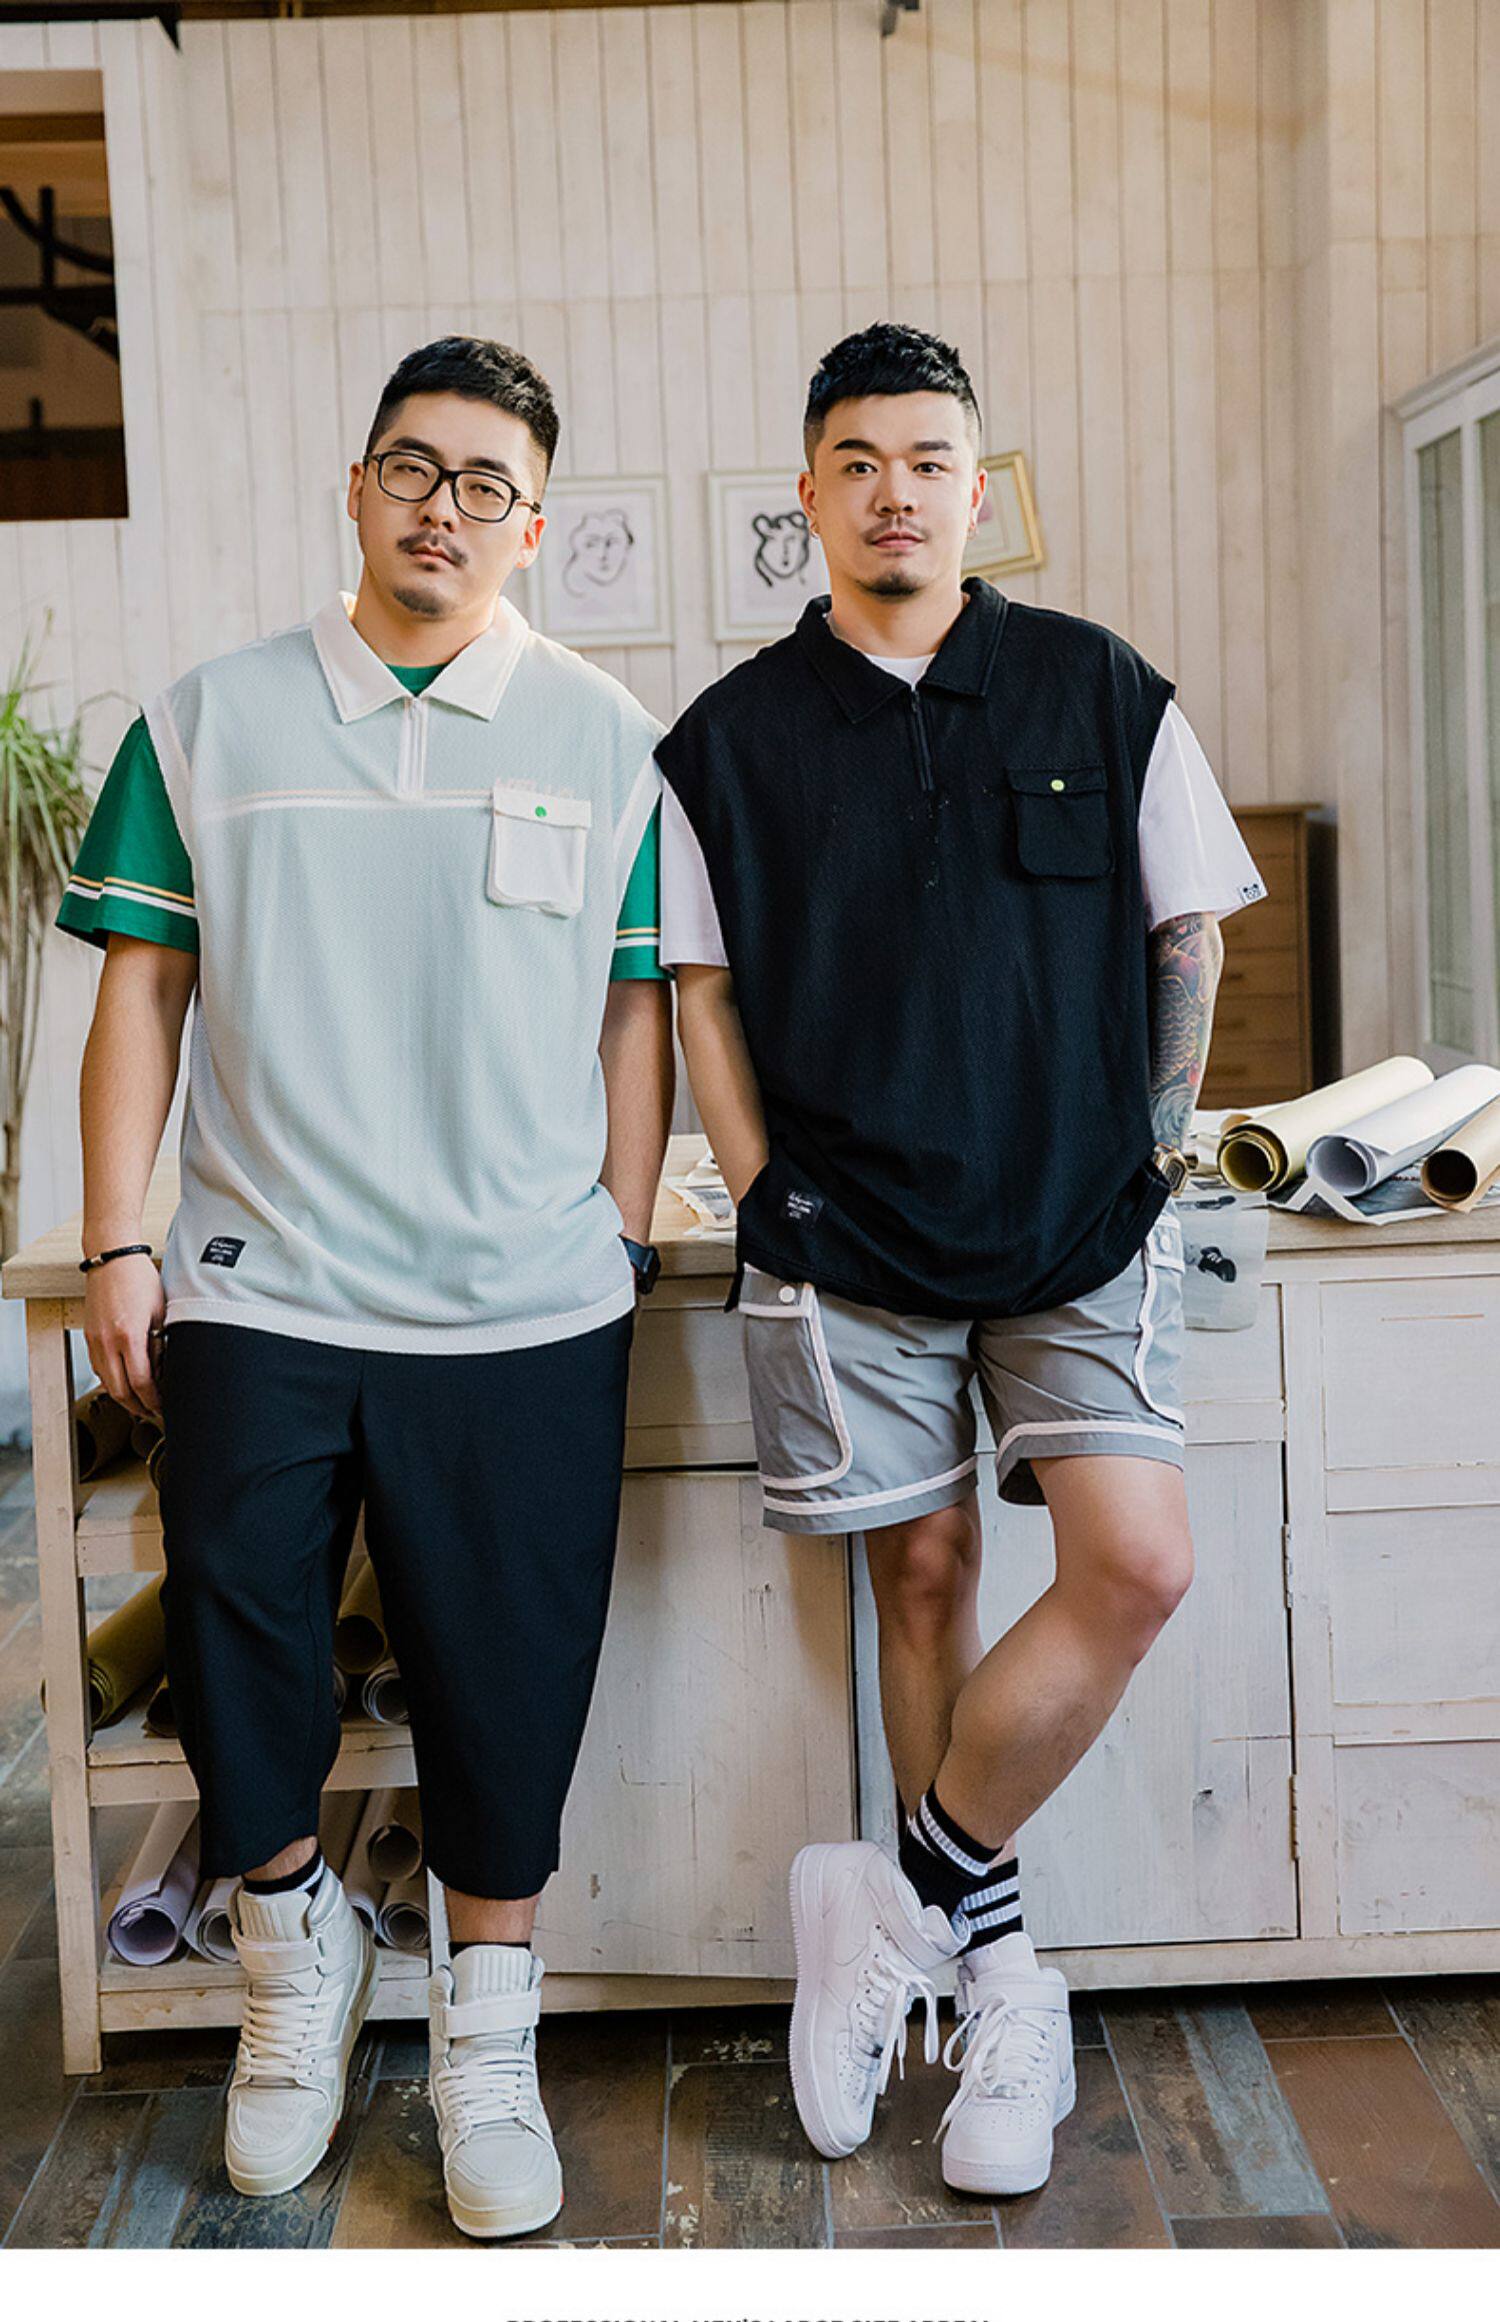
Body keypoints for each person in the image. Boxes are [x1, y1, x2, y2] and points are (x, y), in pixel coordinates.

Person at [58, 336, 673, 2240]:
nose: (443, 508)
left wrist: (618, 1229)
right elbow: (142, 993)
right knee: (234, 1644)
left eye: (488, 485)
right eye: (414, 467)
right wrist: (118, 1236)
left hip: (522, 1304)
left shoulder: (605, 736)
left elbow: (636, 1006)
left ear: (533, 526)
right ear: (356, 485)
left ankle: (487, 2031)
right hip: (266, 1282)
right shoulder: (210, 720)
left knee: (508, 1679)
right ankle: (290, 1954)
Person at [658, 322, 1265, 2199]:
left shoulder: (1103, 687)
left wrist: (1153, 1145)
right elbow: (700, 989)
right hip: (849, 1237)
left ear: (979, 488)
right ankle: (997, 1986)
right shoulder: (730, 739)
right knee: (921, 1577)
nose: (896, 492)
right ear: (809, 495)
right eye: (858, 461)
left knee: (1138, 1562)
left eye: (929, 459)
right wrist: (765, 1191)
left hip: (1079, 1225)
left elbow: (1189, 931)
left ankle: (894, 1899)